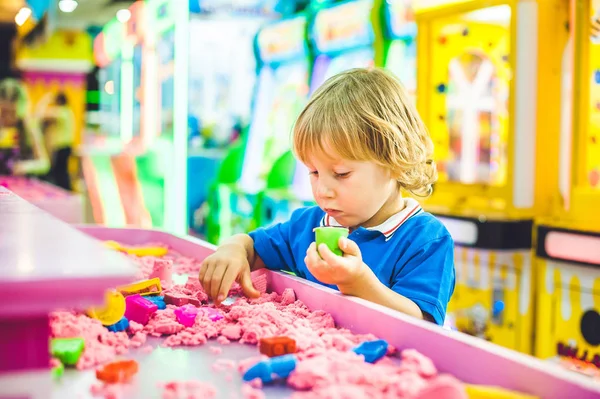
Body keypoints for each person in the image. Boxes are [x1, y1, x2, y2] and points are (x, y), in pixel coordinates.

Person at [199, 68, 455, 326]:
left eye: (341, 173)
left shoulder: (426, 240)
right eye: (314, 172)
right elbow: (252, 247)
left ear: (395, 163)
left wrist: (358, 284)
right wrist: (233, 249)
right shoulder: (308, 225)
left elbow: (423, 325)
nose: (322, 190)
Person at [0, 78, 49, 177]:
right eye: (4, 112)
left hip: (21, 186)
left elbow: (45, 163)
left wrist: (26, 166)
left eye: (13, 113)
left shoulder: (29, 127)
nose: (8, 118)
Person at [43, 91, 75, 190]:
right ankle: (65, 191)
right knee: (62, 171)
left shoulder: (62, 111)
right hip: (66, 146)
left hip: (62, 146)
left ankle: (64, 191)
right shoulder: (68, 111)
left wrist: (46, 100)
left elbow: (42, 115)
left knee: (60, 172)